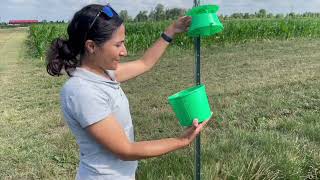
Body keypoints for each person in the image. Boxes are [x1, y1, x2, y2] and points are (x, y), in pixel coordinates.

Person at [46, 4, 209, 180]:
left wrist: (171, 31)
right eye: (118, 45)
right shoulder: (82, 92)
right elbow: (126, 150)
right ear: (91, 46)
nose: (125, 52)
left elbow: (144, 63)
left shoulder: (102, 73)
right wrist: (181, 141)